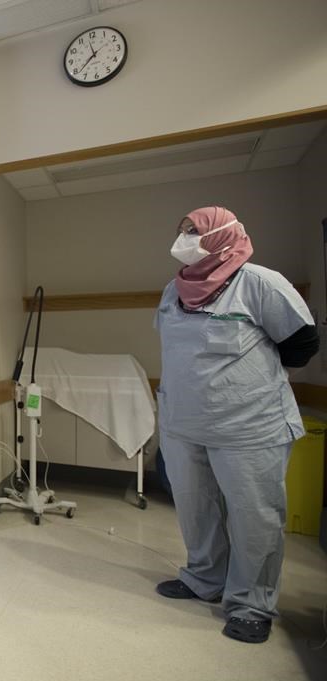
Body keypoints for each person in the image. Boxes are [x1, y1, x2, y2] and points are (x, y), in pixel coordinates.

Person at [154, 205, 319, 644]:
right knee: (195, 508)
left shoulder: (260, 283)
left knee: (254, 517)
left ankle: (251, 604)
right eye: (182, 228)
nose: (184, 237)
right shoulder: (174, 289)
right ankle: (204, 578)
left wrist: (248, 383)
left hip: (248, 426)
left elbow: (302, 344)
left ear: (223, 236)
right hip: (183, 422)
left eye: (194, 230)